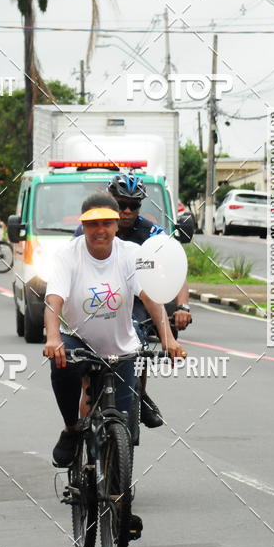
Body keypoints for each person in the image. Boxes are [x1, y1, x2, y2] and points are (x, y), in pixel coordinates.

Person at [44, 191, 185, 475]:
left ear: (116, 224)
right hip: (77, 339)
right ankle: (71, 428)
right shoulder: (67, 255)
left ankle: (119, 502)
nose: (100, 230)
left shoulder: (131, 255)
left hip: (120, 346)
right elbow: (53, 299)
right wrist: (52, 338)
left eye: (107, 223)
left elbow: (151, 299)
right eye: (93, 224)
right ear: (83, 226)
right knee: (63, 366)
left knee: (121, 424)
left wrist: (168, 339)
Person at [74, 172, 191, 428]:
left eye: (134, 205)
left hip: (136, 299)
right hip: (95, 297)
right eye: (121, 204)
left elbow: (175, 268)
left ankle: (139, 393)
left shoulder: (152, 232)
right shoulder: (89, 229)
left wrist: (183, 306)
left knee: (137, 337)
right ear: (109, 201)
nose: (127, 211)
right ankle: (78, 426)